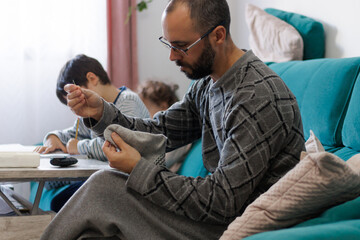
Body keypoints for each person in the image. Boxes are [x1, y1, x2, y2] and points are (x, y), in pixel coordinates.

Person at [41, 0, 305, 239]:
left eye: (181, 46)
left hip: (236, 222)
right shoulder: (208, 83)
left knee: (104, 188)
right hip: (216, 214)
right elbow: (160, 129)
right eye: (168, 44)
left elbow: (222, 200)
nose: (172, 56)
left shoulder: (255, 96)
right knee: (93, 228)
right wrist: (101, 113)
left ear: (218, 35)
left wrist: (139, 169)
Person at [34, 54, 150, 212]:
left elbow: (118, 145)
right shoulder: (90, 111)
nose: (78, 107)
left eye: (77, 98)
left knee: (60, 203)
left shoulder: (127, 101)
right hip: (104, 174)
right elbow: (71, 133)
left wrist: (79, 147)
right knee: (51, 182)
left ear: (92, 78)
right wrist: (53, 138)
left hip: (125, 180)